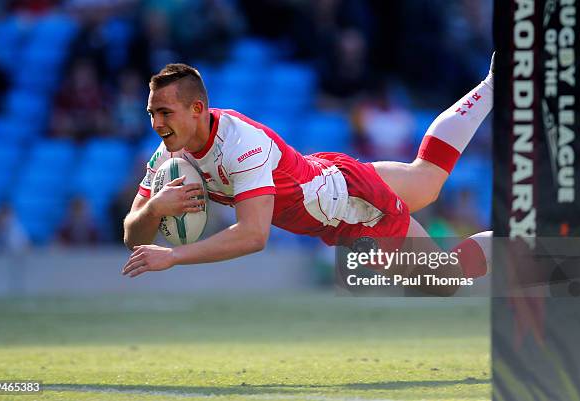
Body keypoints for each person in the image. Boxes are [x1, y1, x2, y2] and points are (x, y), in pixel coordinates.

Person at [122, 58, 494, 295]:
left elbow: (254, 236)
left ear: (197, 108)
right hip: (331, 178)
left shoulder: (240, 143)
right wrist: (154, 208)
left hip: (351, 212)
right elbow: (132, 236)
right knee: (425, 178)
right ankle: (495, 80)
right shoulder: (170, 151)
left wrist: (174, 256)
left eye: (165, 113)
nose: (156, 124)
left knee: (445, 279)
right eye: (151, 113)